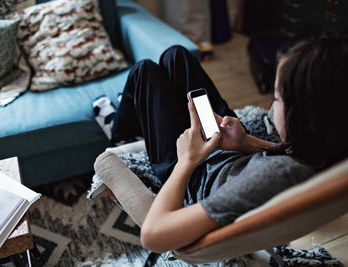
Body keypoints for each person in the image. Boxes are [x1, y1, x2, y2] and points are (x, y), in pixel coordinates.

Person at [96, 34, 348, 253]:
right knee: (176, 56)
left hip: (193, 172)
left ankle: (121, 131)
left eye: (278, 97)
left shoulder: (271, 177)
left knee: (144, 71)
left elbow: (154, 236)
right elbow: (287, 157)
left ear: (310, 117)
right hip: (229, 149)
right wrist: (245, 142)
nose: (272, 105)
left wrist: (186, 161)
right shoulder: (329, 151)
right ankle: (135, 116)